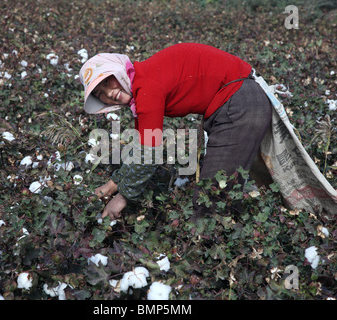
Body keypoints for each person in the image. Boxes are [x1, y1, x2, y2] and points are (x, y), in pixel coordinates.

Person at [79, 43, 273, 221]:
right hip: (238, 102)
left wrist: (122, 197)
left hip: (239, 103)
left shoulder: (146, 86)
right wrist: (115, 182)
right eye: (100, 95)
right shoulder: (142, 85)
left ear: (117, 69)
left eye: (106, 82)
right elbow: (141, 144)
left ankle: (214, 249)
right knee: (220, 194)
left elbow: (149, 153)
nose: (109, 94)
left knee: (210, 201)